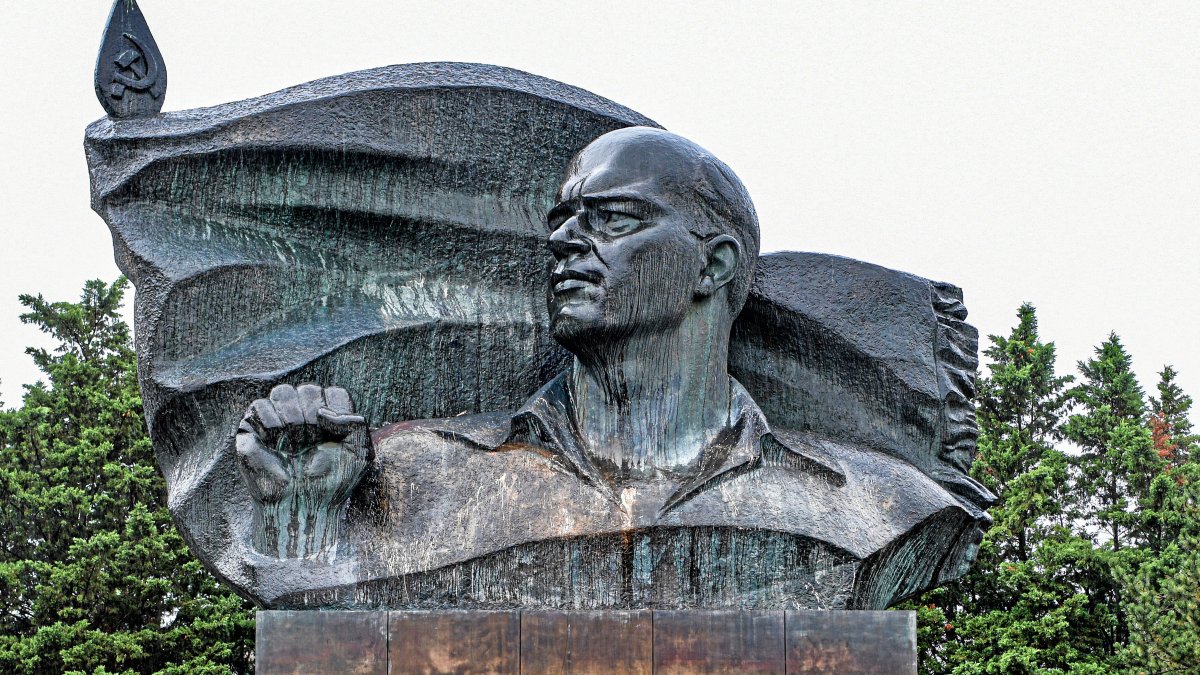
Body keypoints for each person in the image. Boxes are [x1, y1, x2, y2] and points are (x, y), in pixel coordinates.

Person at [236, 127, 987, 609]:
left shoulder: (879, 503)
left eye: (612, 219)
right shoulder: (412, 475)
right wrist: (303, 520)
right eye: (563, 219)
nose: (566, 241)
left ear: (714, 264)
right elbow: (325, 636)